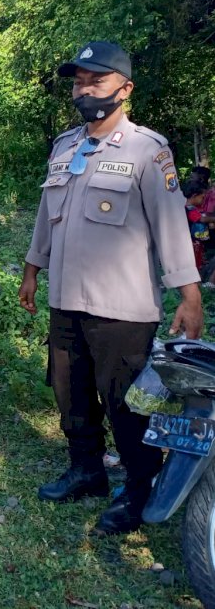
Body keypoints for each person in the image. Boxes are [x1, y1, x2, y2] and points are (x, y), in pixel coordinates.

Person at [17, 41, 203, 536]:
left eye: (95, 80)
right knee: (69, 392)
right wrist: (33, 267)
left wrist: (189, 294)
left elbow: (171, 225)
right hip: (65, 299)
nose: (84, 90)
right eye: (78, 82)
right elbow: (46, 218)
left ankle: (138, 489)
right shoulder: (64, 147)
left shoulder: (148, 149)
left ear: (124, 88)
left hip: (122, 307)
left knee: (124, 402)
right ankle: (87, 470)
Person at [182, 179, 211, 271]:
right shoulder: (189, 209)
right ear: (194, 196)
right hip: (192, 242)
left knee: (197, 261)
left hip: (196, 242)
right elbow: (201, 219)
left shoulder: (194, 208)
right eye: (202, 197)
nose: (204, 200)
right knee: (193, 262)